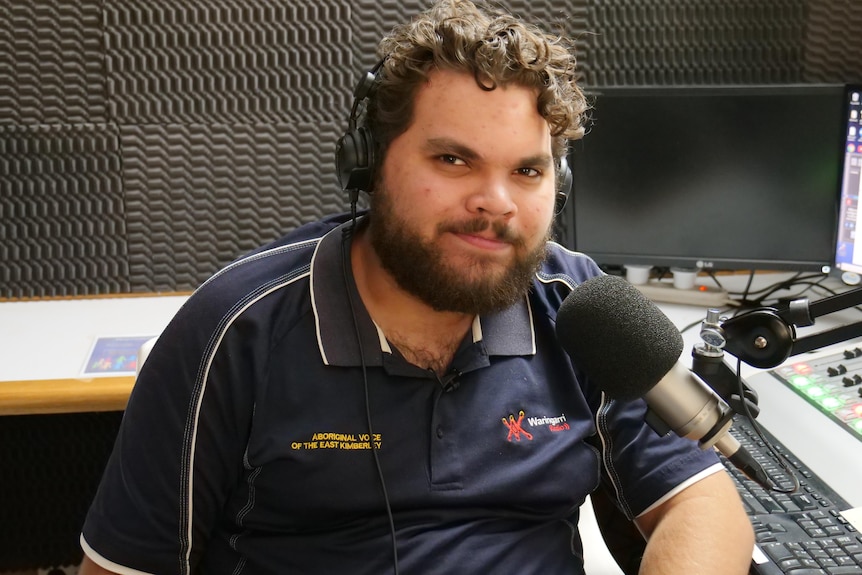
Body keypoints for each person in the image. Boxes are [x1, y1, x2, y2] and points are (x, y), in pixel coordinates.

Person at [79, 1, 754, 573]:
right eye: (453, 159)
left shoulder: (581, 307)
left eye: (527, 171)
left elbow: (701, 501)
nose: (496, 202)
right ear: (370, 166)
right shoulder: (234, 330)